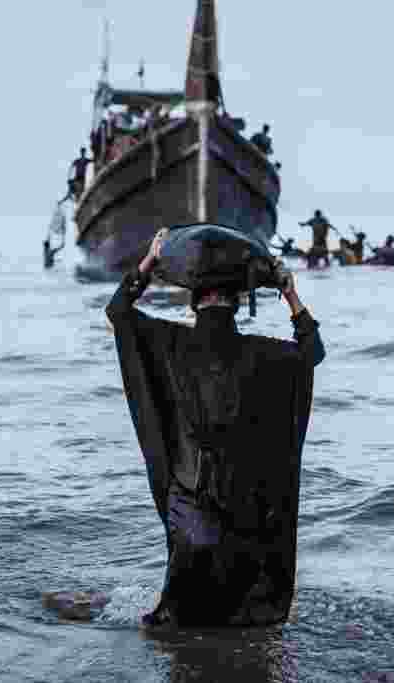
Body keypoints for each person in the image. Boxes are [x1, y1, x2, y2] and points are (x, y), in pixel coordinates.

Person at [106, 228, 325, 628]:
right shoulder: (265, 354)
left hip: (189, 512)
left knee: (179, 625)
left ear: (194, 301)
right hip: (247, 516)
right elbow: (313, 351)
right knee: (242, 623)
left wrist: (150, 262)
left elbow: (118, 312)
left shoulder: (169, 342)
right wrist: (289, 292)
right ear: (238, 303)